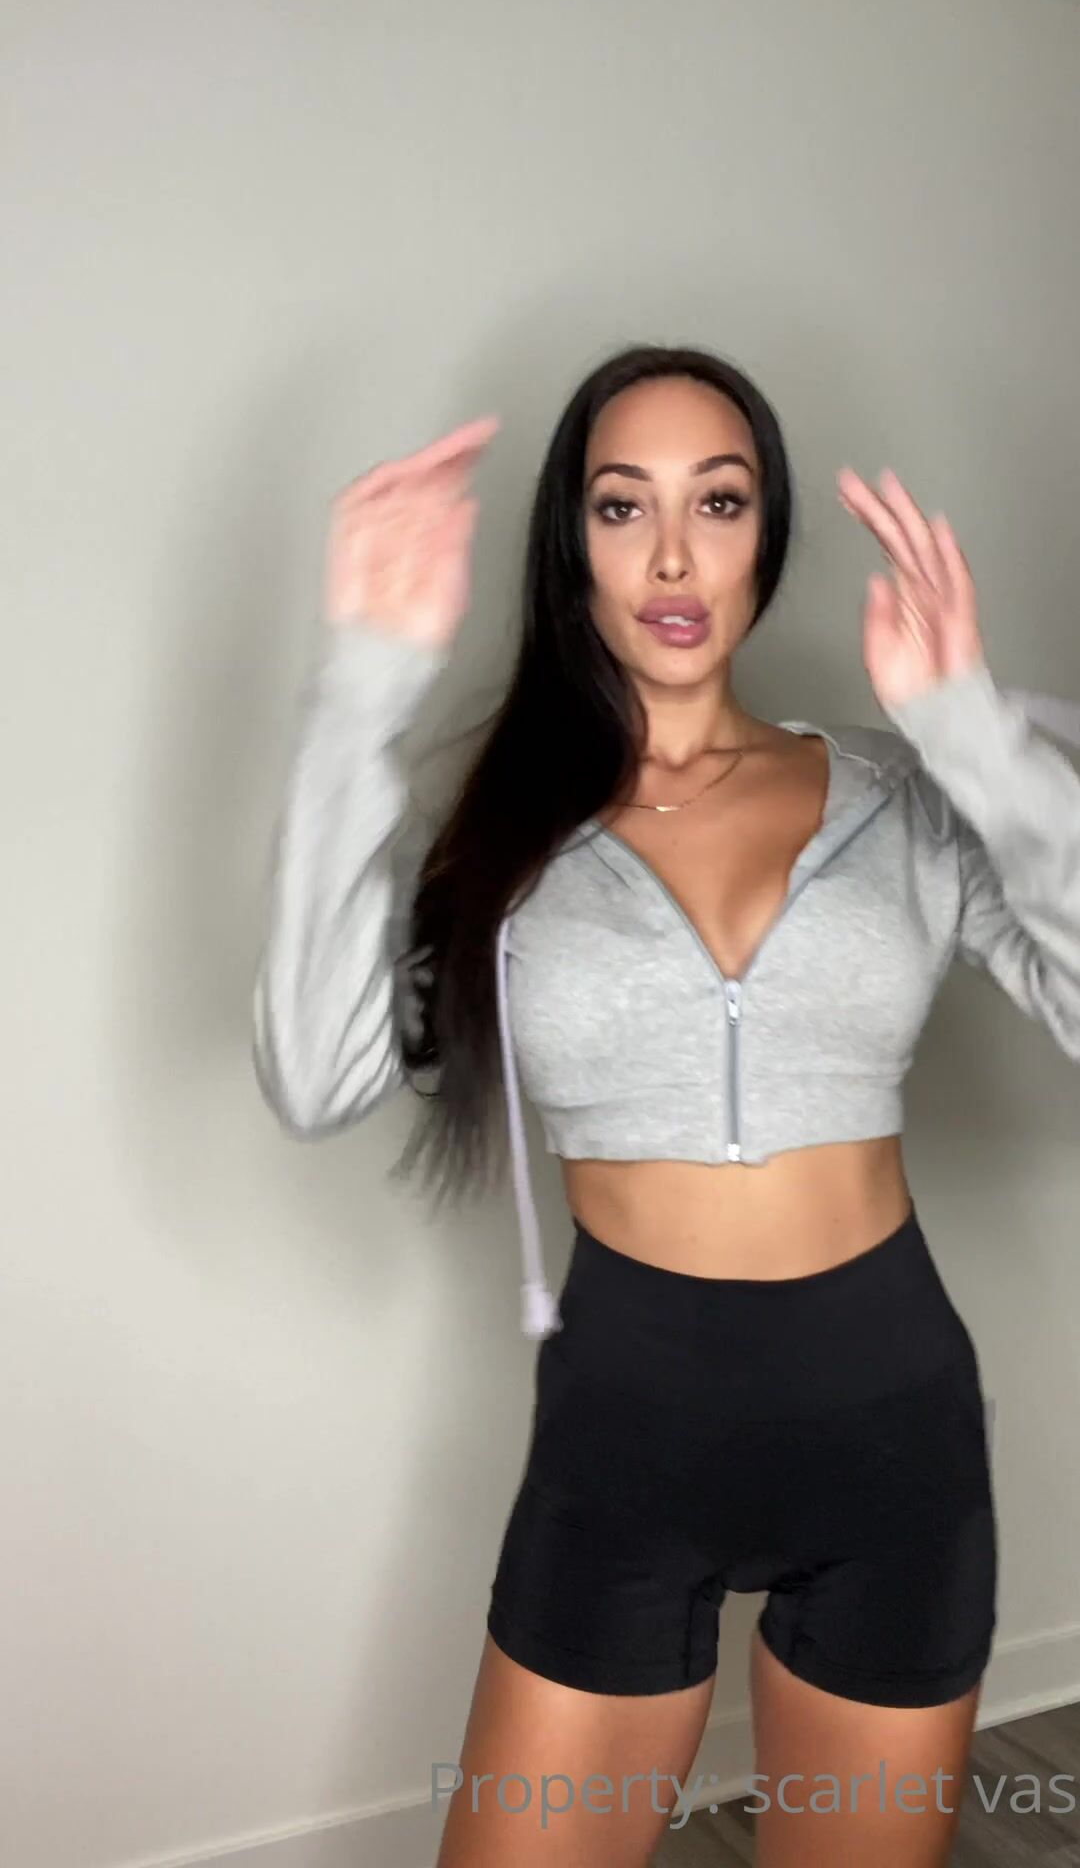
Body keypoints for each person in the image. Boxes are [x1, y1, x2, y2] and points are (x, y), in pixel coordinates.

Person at [251, 344, 1080, 1867]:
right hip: (626, 1437)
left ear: (770, 533)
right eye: (623, 506)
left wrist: (971, 731)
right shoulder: (499, 836)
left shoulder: (896, 796)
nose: (677, 557)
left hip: (892, 1434)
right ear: (571, 543)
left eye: (722, 500)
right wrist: (360, 693)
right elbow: (315, 1073)